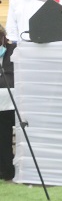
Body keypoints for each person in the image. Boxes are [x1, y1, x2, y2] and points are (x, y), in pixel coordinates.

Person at [0, 25, 16, 181]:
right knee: (3, 137)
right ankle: (5, 170)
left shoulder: (13, 50)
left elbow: (12, 78)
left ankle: (8, 170)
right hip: (2, 104)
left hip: (14, 102)